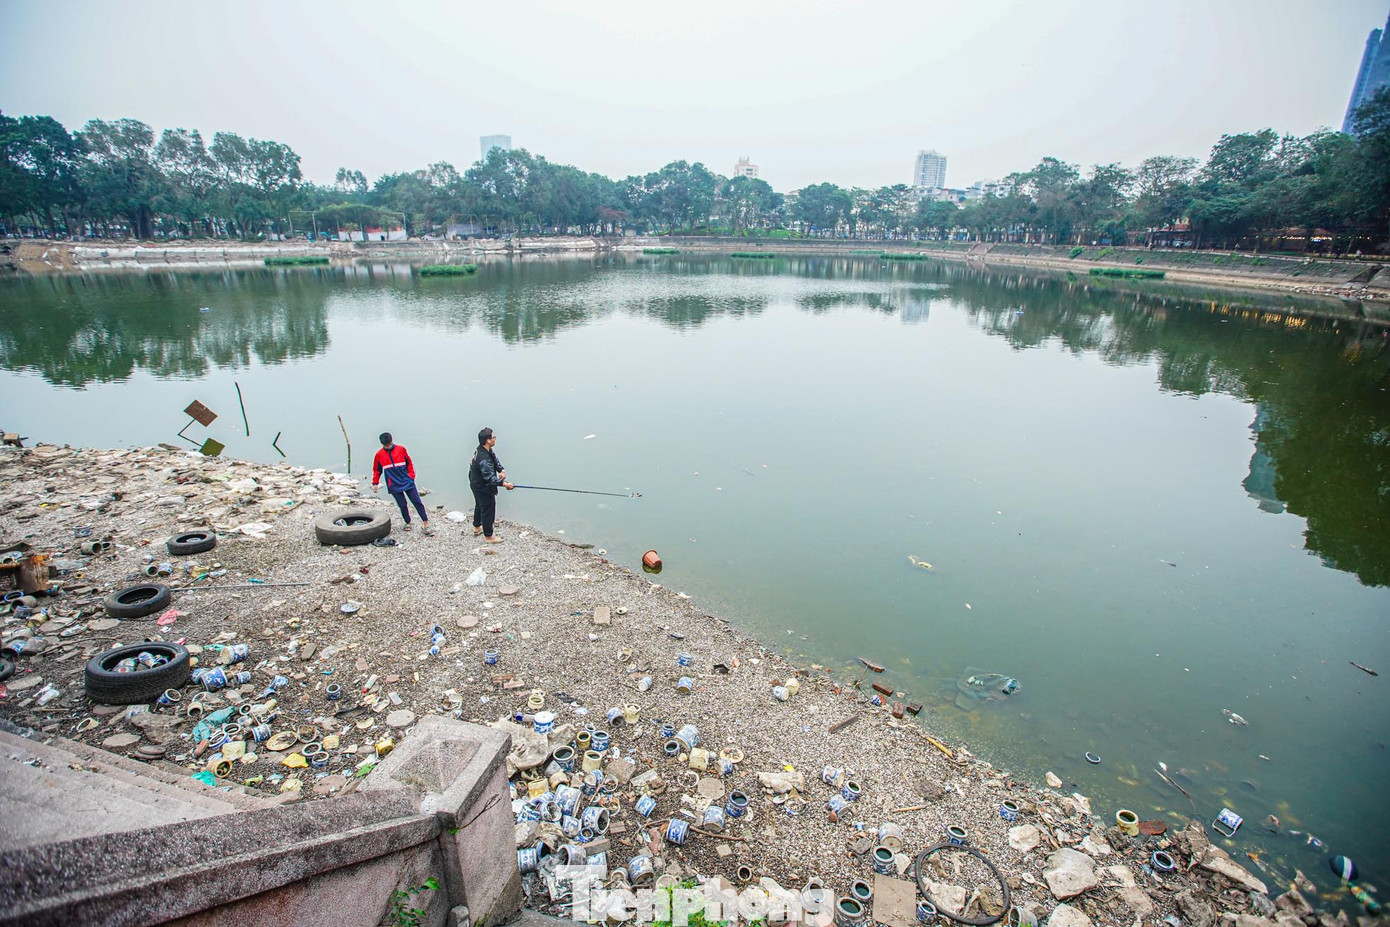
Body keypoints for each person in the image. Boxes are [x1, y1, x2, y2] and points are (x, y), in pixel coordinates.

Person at [372, 433, 431, 534]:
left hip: (407, 481)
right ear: (382, 444)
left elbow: (409, 463)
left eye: (389, 444)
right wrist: (375, 483)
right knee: (402, 504)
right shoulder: (379, 455)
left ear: (392, 441)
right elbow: (377, 470)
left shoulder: (401, 449)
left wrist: (411, 477)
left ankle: (425, 521)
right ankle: (407, 522)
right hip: (393, 483)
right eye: (386, 446)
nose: (388, 447)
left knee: (417, 501)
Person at [468, 426, 513, 542]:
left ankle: (477, 527)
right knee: (488, 508)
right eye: (493, 437)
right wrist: (505, 484)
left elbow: (494, 458)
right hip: (482, 487)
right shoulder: (482, 458)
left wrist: (501, 470)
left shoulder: (483, 450)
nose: (495, 439)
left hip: (475, 483)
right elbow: (490, 478)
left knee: (479, 505)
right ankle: (489, 536)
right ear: (488, 440)